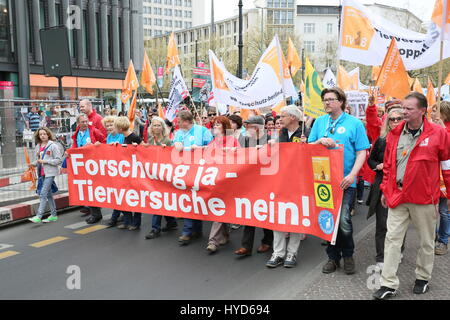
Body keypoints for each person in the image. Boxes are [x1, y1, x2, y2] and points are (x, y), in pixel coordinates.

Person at [373, 92, 450, 300]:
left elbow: (447, 164)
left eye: (409, 109)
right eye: (403, 108)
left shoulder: (438, 133)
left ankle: (422, 278)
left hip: (425, 198)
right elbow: (388, 165)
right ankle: (388, 283)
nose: (403, 112)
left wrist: (448, 193)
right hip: (398, 196)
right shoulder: (395, 133)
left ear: (422, 111)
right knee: (392, 240)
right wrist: (385, 190)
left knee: (426, 241)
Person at [308, 87, 370, 275]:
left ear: (341, 102)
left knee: (343, 221)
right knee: (328, 220)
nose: (327, 102)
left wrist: (352, 175)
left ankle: (348, 255)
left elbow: (362, 152)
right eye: (325, 99)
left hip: (345, 181)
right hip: (322, 181)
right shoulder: (319, 122)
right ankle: (333, 257)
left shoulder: (354, 124)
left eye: (331, 99)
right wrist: (320, 142)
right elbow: (308, 147)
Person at [266, 105, 309, 268]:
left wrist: (308, 146)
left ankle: (292, 252)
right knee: (278, 216)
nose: (279, 119)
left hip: (299, 182)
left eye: (283, 116)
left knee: (295, 216)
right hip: (281, 181)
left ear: (292, 117)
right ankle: (277, 253)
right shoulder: (281, 133)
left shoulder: (307, 132)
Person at [366, 107, 404, 269]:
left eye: (398, 118)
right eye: (392, 119)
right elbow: (370, 160)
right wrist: (378, 165)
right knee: (382, 223)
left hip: (402, 188)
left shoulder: (410, 140)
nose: (395, 122)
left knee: (399, 223)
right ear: (387, 121)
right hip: (382, 185)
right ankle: (381, 257)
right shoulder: (382, 140)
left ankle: (399, 250)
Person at [234, 115, 273, 257]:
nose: (246, 128)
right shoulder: (243, 139)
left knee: (263, 212)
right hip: (248, 180)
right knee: (248, 212)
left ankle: (267, 241)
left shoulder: (270, 140)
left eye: (248, 125)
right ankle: (246, 246)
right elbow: (238, 158)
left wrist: (262, 151)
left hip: (265, 181)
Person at [174, 110, 214, 245]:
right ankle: (188, 231)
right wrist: (179, 145)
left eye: (179, 121)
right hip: (184, 170)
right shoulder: (179, 133)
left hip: (200, 169)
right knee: (187, 199)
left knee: (197, 199)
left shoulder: (202, 131)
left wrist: (199, 148)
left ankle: (196, 229)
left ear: (186, 121)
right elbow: (177, 146)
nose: (177, 123)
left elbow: (212, 148)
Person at [205, 116, 239, 253]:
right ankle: (224, 235)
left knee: (219, 208)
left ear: (225, 127)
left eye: (218, 124)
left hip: (229, 178)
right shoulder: (213, 142)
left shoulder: (233, 141)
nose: (215, 126)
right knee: (220, 207)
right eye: (214, 124)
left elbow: (241, 156)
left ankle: (213, 241)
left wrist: (232, 152)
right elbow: (206, 157)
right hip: (216, 177)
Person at [144, 117, 178, 239]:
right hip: (153, 175)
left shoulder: (167, 141)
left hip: (164, 175)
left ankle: (155, 228)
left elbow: (173, 157)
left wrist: (166, 150)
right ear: (151, 128)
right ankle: (171, 222)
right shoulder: (150, 140)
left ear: (162, 127)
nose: (156, 127)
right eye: (154, 125)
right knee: (160, 200)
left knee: (157, 200)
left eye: (159, 125)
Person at [109, 116, 144, 230]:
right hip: (126, 173)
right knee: (124, 196)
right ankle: (127, 221)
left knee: (135, 198)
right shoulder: (124, 137)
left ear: (120, 128)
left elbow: (144, 150)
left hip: (134, 173)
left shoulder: (134, 137)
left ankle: (136, 223)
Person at [70, 114, 106, 224]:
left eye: (86, 121)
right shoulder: (76, 134)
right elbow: (75, 147)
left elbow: (104, 141)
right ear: (78, 123)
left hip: (93, 165)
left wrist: (96, 144)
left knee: (93, 189)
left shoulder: (94, 131)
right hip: (82, 165)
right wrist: (69, 152)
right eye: (83, 122)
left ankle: (97, 214)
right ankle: (95, 213)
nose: (85, 124)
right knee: (88, 189)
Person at [28, 127, 63, 223]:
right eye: (40, 134)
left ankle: (39, 216)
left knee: (42, 193)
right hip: (41, 173)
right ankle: (54, 215)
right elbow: (39, 160)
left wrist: (45, 161)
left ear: (48, 134)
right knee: (48, 195)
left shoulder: (53, 146)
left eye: (44, 134)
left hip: (50, 173)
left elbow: (58, 160)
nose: (42, 136)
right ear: (38, 136)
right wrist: (33, 163)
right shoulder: (38, 146)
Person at [430, 101, 450, 255]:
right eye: (432, 110)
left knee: (444, 211)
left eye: (436, 110)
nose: (433, 113)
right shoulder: (429, 128)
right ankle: (433, 235)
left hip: (445, 177)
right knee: (429, 210)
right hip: (430, 176)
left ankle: (443, 240)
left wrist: (444, 132)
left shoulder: (446, 130)